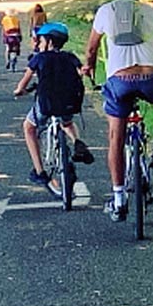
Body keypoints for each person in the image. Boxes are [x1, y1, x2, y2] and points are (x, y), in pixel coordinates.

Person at [82, 0, 153, 222]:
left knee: (116, 136)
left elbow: (92, 48)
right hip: (151, 79)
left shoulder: (105, 12)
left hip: (120, 82)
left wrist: (90, 67)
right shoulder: (151, 12)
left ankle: (118, 199)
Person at [13, 20, 94, 185]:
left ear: (49, 41)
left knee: (29, 127)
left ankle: (39, 171)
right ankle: (77, 141)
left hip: (46, 103)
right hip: (68, 102)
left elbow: (23, 84)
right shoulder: (70, 57)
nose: (39, 44)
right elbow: (80, 73)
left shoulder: (39, 59)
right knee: (67, 122)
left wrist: (19, 91)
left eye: (41, 40)